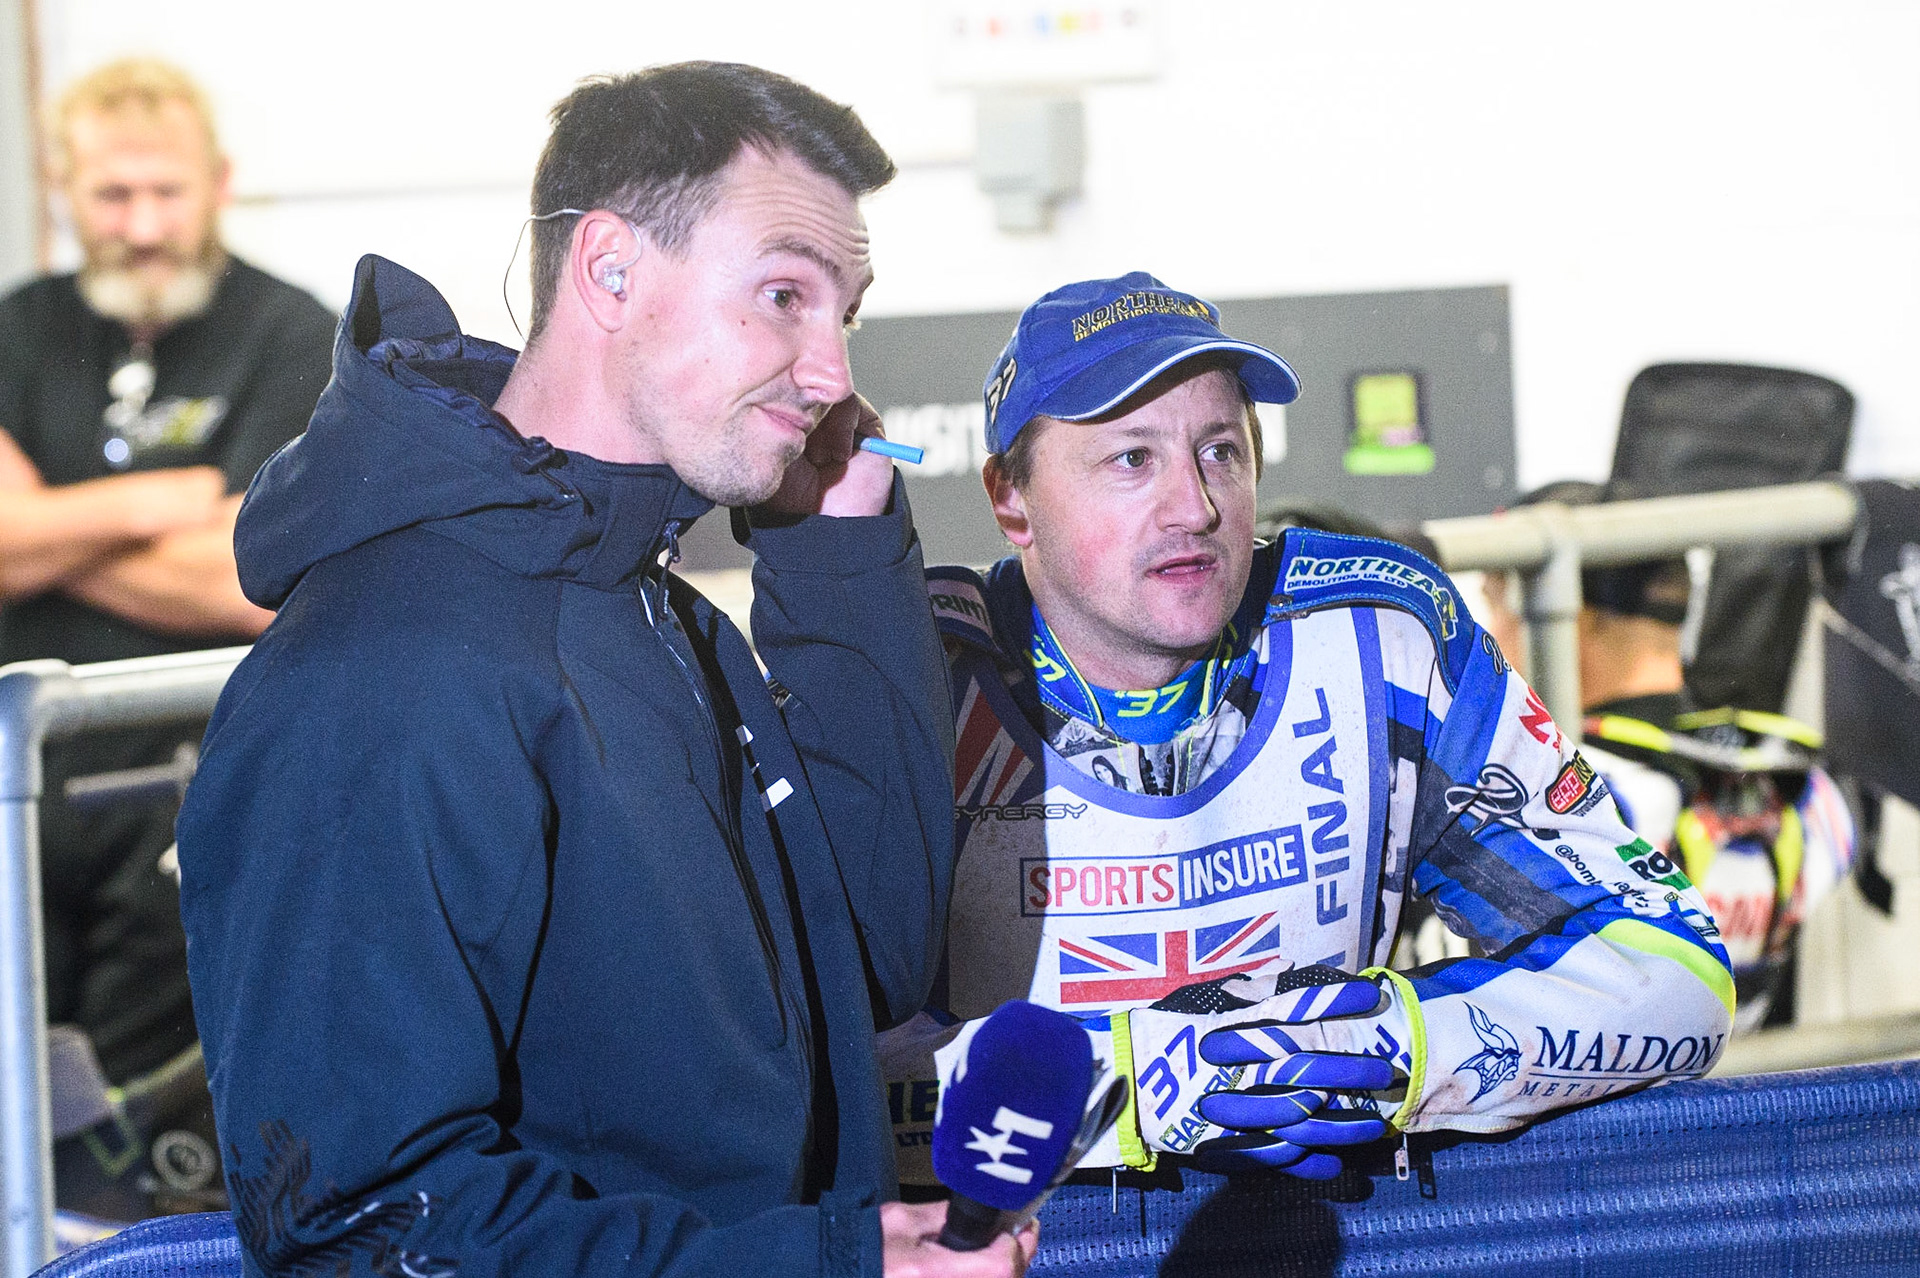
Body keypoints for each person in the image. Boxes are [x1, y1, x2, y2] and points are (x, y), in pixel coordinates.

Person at [175, 63, 1033, 1278]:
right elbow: (362, 1231)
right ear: (611, 270)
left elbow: (867, 964)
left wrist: (838, 544)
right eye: (784, 295)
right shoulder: (382, 673)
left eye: (847, 311)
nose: (833, 369)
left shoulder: (653, 614)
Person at [885, 273, 1734, 1180]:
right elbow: (772, 1090)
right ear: (1009, 500)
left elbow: (1677, 973)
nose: (1196, 508)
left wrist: (1402, 1048)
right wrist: (1126, 1088)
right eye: (1132, 459)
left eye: (1220, 451)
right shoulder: (915, 687)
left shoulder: (1382, 637)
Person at [0, 58, 335, 1216]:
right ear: (63, 192)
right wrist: (163, 501)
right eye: (110, 196)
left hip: (200, 799)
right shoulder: (16, 331)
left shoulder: (295, 337)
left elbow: (260, 578)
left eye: (163, 193)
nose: (140, 226)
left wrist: (52, 527)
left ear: (217, 184)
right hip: (17, 795)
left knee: (142, 1163)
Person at [1471, 482, 1854, 1032]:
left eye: (1495, 609)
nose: (1490, 638)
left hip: (1595, 1114)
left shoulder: (1551, 799)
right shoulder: (1810, 790)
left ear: (1561, 615)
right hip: (1754, 1103)